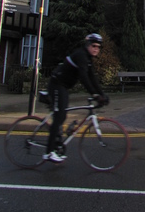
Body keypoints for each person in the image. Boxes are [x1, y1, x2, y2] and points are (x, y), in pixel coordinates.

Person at [43, 33, 109, 163]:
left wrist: (102, 94)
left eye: (98, 47)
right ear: (88, 45)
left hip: (64, 87)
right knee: (60, 116)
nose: (96, 49)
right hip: (57, 84)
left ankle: (56, 144)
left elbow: (93, 78)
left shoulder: (88, 59)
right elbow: (84, 78)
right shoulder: (81, 56)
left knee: (62, 116)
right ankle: (49, 152)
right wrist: (95, 95)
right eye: (93, 46)